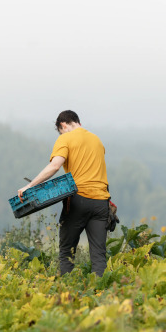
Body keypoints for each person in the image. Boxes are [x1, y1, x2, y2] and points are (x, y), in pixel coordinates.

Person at [17, 110, 110, 277]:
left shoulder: (65, 138)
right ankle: (101, 290)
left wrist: (30, 186)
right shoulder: (96, 140)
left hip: (79, 200)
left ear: (63, 125)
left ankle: (66, 289)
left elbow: (55, 166)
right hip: (101, 202)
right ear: (78, 122)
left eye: (60, 131)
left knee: (67, 251)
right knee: (99, 255)